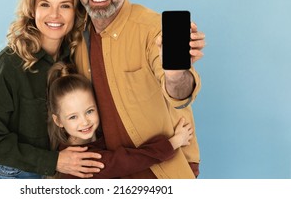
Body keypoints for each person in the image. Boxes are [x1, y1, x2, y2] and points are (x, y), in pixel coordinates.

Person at [73, 0, 206, 178]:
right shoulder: (74, 34)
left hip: (164, 170)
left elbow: (181, 95)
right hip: (112, 169)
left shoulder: (153, 29)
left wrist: (175, 74)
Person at [0, 0, 104, 179]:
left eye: (65, 6)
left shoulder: (73, 59)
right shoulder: (8, 64)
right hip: (6, 174)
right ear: (33, 10)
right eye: (45, 5)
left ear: (76, 11)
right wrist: (55, 161)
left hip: (49, 175)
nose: (55, 15)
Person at [47, 62, 194, 179]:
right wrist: (175, 142)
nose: (84, 121)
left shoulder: (91, 141)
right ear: (58, 121)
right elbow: (126, 162)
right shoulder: (80, 161)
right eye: (73, 117)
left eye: (89, 111)